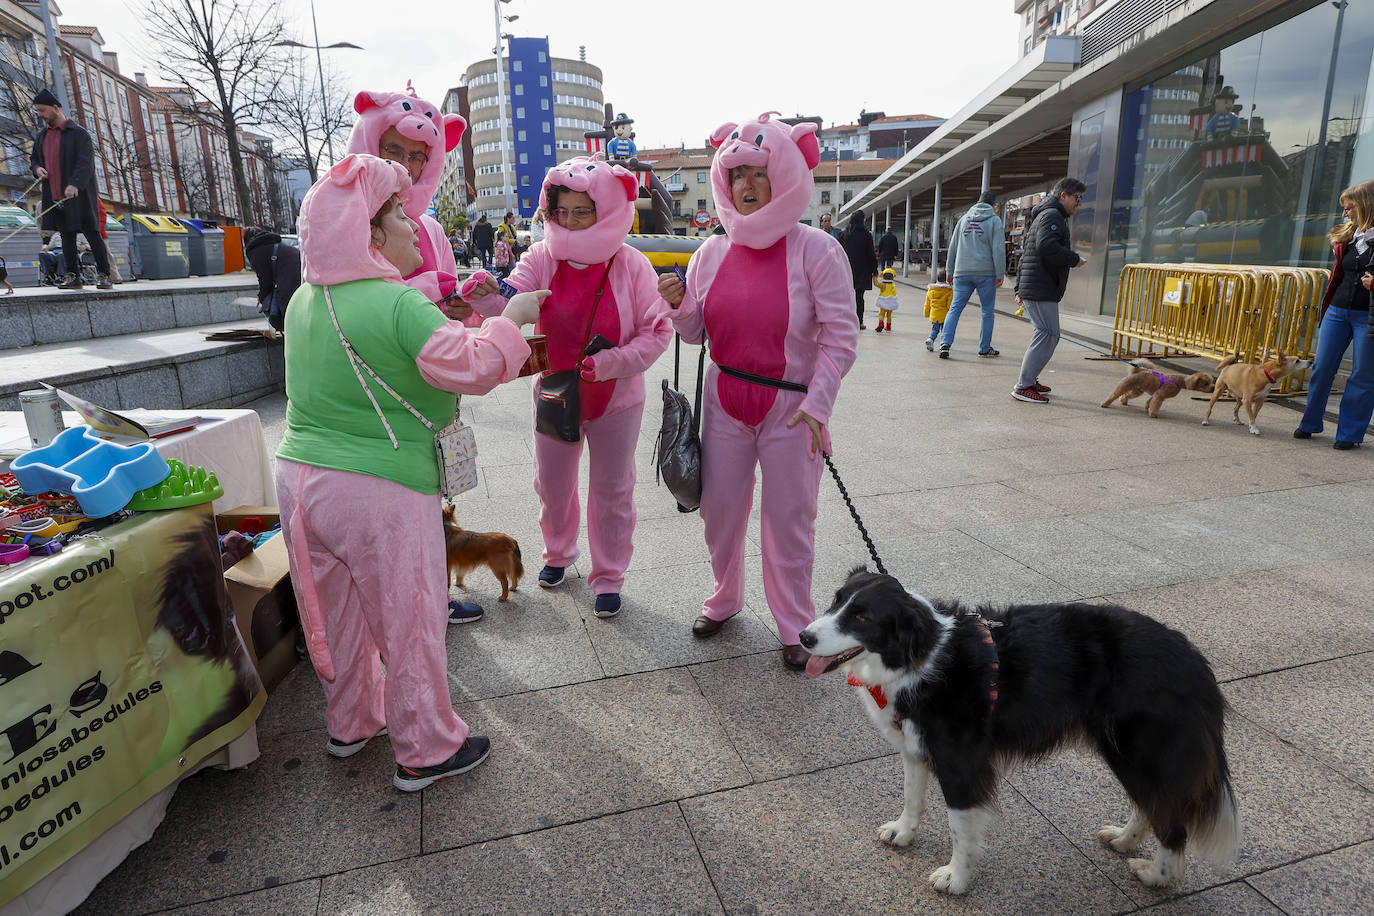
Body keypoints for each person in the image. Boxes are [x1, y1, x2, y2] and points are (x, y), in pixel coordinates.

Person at [275, 153, 544, 792]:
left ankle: (351, 724)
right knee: (410, 616)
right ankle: (425, 748)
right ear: (368, 235)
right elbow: (473, 368)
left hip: (300, 481)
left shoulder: (304, 302)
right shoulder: (396, 305)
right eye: (398, 214)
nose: (411, 226)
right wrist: (515, 317)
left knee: (338, 615)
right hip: (380, 487)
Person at [656, 112, 858, 669]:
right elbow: (698, 333)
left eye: (758, 173)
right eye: (737, 173)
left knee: (789, 519)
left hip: (792, 408)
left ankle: (796, 624)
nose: (746, 185)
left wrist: (818, 407)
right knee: (720, 512)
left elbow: (842, 339)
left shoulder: (818, 250)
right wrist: (679, 305)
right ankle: (726, 595)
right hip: (726, 398)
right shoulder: (709, 254)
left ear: (785, 176)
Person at [461, 156, 672, 619]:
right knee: (552, 484)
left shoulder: (632, 264)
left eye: (584, 211)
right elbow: (510, 300)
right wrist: (485, 295)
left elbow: (657, 332)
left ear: (607, 211)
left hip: (617, 397)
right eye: (563, 211)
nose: (572, 221)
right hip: (556, 392)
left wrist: (612, 362)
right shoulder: (541, 257)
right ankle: (558, 552)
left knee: (613, 489)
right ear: (549, 211)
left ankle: (609, 575)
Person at [345, 87, 465, 314]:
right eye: (393, 151)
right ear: (371, 147)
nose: (405, 167)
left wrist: (463, 308)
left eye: (416, 157)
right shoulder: (345, 225)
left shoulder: (432, 231)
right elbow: (339, 309)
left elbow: (450, 299)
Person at [1294, 180, 1374, 449]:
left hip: (1368, 316)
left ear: (1365, 205)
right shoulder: (1348, 236)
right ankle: (1310, 423)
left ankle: (1349, 434)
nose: (1344, 213)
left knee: (1362, 375)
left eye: (1348, 207)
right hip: (1337, 311)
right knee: (1322, 368)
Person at [1011, 178, 1086, 403]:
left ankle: (1029, 380)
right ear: (1064, 195)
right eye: (1077, 198)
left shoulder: (1046, 215)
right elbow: (1046, 247)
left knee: (1047, 336)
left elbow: (1028, 253)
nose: (1079, 203)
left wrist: (1018, 288)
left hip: (1037, 286)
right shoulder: (1052, 216)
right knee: (1047, 335)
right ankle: (1023, 386)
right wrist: (1074, 259)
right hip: (1040, 287)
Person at [29, 88, 113, 290]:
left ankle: (104, 275)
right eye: (37, 111)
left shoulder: (79, 134)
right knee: (66, 236)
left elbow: (86, 163)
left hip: (80, 195)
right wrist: (38, 168)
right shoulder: (42, 136)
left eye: (42, 110)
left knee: (92, 233)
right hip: (55, 195)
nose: (39, 114)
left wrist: (75, 184)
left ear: (56, 108)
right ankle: (72, 276)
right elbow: (35, 160)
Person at [939, 191, 1006, 359]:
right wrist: (999, 272)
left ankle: (945, 343)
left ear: (977, 201)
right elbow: (998, 249)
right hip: (986, 273)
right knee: (987, 311)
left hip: (962, 272)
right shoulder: (994, 221)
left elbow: (953, 247)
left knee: (955, 308)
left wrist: (950, 271)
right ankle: (984, 348)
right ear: (993, 205)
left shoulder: (963, 220)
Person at [244, 226, 301, 332]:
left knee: (287, 313)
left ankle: (292, 338)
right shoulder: (273, 245)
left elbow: (265, 281)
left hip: (290, 277)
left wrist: (261, 297)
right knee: (295, 311)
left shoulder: (255, 252)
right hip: (301, 271)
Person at [841, 210, 878, 330]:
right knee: (859, 297)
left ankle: (845, 320)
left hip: (846, 270)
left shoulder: (844, 234)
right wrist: (875, 271)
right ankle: (859, 321)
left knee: (846, 296)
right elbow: (871, 254)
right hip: (862, 271)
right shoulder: (866, 235)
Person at [923, 269, 953, 351]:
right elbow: (949, 305)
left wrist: (926, 313)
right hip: (945, 315)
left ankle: (930, 339)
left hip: (934, 315)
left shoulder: (931, 290)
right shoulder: (949, 291)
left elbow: (927, 303)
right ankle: (944, 343)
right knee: (945, 330)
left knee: (935, 329)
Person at [874, 267, 899, 332]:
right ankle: (888, 327)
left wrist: (875, 277)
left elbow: (876, 284)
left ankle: (881, 323)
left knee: (881, 314)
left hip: (883, 301)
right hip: (890, 302)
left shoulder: (882, 284)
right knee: (889, 315)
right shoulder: (893, 285)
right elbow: (894, 293)